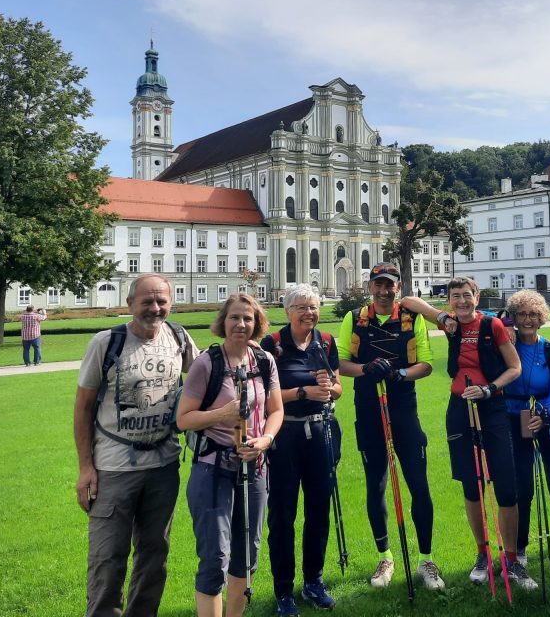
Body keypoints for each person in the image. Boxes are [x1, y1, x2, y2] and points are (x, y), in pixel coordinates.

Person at [73, 274, 200, 617]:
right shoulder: (107, 343)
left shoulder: (179, 338)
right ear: (130, 304)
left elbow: (208, 379)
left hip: (163, 465)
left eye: (161, 301)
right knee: (107, 558)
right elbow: (83, 407)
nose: (155, 308)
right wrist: (86, 468)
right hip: (113, 468)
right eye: (146, 301)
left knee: (154, 556)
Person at [422, 276, 538, 590]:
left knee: (506, 487)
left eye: (467, 295)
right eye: (455, 297)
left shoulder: (493, 326)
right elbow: (410, 302)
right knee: (472, 486)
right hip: (459, 408)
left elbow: (515, 368)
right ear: (449, 300)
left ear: (477, 296)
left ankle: (512, 561)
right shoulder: (451, 325)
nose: (461, 301)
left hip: (491, 406)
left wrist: (489, 389)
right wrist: (442, 317)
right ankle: (483, 555)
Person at [337, 262, 445, 591]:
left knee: (418, 483)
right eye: (378, 284)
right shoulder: (354, 319)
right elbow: (340, 362)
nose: (384, 291)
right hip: (369, 406)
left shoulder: (411, 319)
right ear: (370, 286)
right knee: (377, 484)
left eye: (390, 285)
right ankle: (385, 556)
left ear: (398, 288)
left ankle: (426, 559)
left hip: (402, 405)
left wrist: (400, 374)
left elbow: (425, 363)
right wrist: (366, 368)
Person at [178, 293, 283, 617]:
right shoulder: (207, 363)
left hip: (254, 471)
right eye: (234, 317)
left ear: (257, 324)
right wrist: (221, 414)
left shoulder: (264, 361)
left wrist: (265, 439)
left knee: (247, 557)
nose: (241, 324)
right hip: (213, 471)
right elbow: (183, 419)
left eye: (247, 318)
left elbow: (275, 410)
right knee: (214, 559)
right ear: (223, 322)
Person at [260, 285, 342, 615]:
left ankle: (313, 582)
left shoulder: (326, 341)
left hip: (321, 433)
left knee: (319, 510)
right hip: (284, 434)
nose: (309, 312)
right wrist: (305, 392)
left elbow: (337, 388)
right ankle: (283, 590)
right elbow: (265, 397)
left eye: (314, 306)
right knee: (282, 514)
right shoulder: (273, 345)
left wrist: (329, 390)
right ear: (288, 310)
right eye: (302, 307)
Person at [502, 289, 550, 564]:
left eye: (533, 314)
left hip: (545, 417)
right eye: (521, 314)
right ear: (514, 317)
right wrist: (504, 323)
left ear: (542, 317)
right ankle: (520, 546)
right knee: (522, 485)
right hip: (512, 416)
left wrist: (543, 414)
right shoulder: (505, 344)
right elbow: (480, 317)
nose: (528, 320)